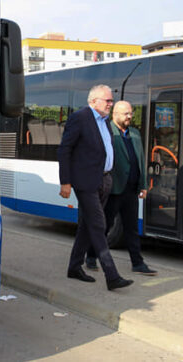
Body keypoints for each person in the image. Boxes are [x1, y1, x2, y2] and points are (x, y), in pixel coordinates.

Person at [58, 84, 133, 291]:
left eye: (111, 100)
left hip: (104, 180)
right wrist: (65, 181)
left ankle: (74, 267)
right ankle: (112, 276)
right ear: (93, 101)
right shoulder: (80, 118)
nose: (111, 104)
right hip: (86, 181)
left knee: (87, 225)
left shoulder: (105, 121)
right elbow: (65, 150)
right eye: (107, 101)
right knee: (99, 225)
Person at [86, 101, 157, 276]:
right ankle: (91, 256)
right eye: (126, 113)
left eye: (131, 113)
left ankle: (137, 263)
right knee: (106, 225)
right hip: (114, 188)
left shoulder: (134, 134)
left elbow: (140, 159)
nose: (130, 116)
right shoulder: (107, 131)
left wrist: (143, 184)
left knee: (131, 228)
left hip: (131, 189)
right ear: (115, 114)